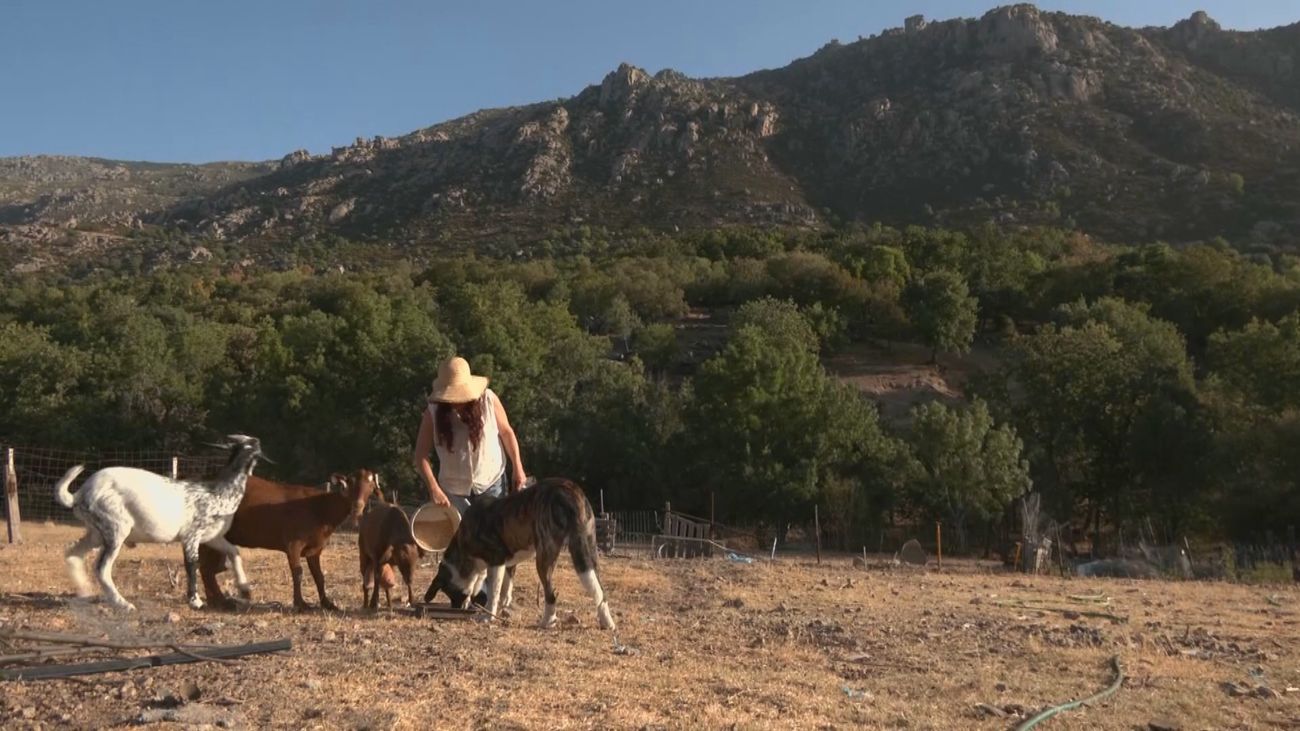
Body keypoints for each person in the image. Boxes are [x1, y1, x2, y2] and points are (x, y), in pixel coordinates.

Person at [412, 356, 528, 517]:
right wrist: (433, 488)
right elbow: (420, 455)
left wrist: (518, 467)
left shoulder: (488, 400)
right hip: (454, 491)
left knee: (494, 535)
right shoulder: (433, 413)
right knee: (460, 538)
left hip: (491, 482)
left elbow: (507, 433)